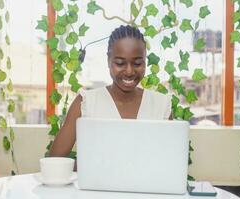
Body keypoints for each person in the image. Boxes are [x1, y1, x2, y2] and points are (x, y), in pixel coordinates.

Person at [49, 25, 171, 158]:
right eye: (120, 63)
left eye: (137, 63)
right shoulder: (86, 103)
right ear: (108, 61)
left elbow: (171, 161)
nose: (129, 71)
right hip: (96, 179)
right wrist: (85, 167)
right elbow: (54, 161)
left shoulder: (161, 105)